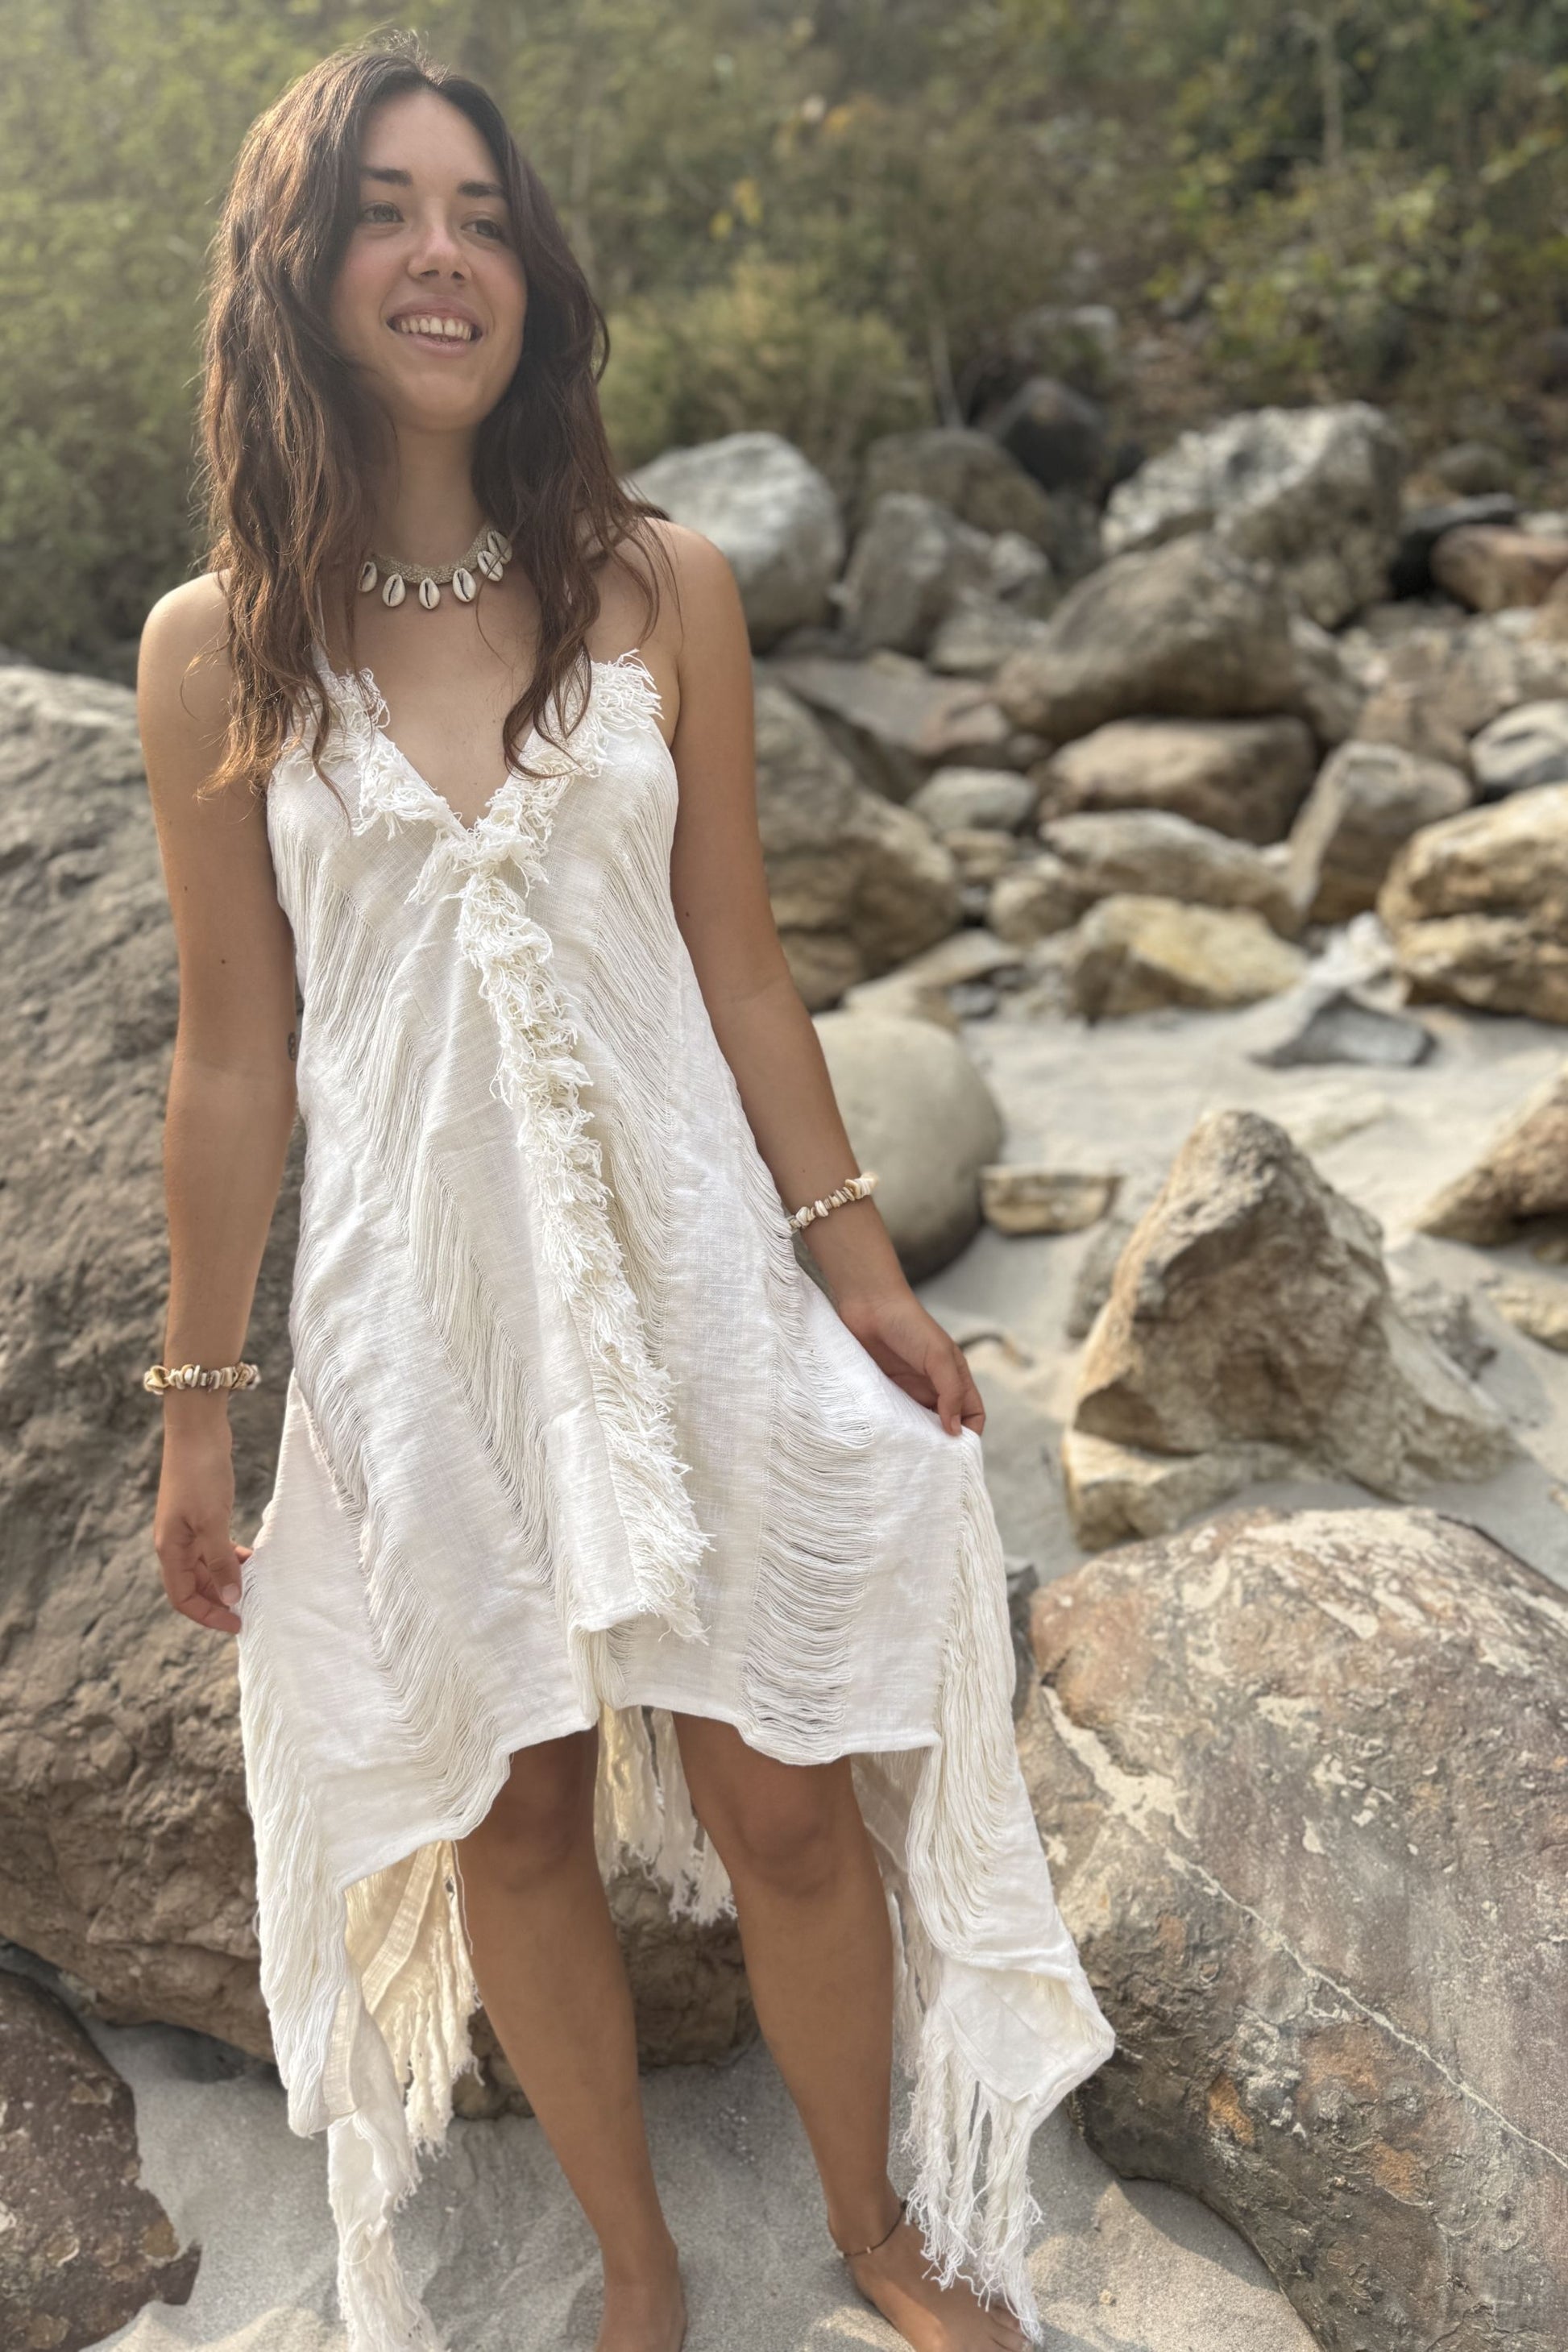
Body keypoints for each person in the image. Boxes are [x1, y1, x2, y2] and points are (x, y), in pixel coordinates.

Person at [135, 33, 1114, 2352]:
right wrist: (201, 1404)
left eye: (475, 209)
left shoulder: (658, 585)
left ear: (531, 274)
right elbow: (233, 1052)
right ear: (300, 266)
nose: (437, 251)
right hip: (419, 1312)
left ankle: (875, 2232)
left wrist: (859, 1270)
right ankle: (643, 2271)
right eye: (383, 206)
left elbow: (747, 969)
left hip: (692, 1275)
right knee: (519, 1817)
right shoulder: (216, 651)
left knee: (786, 1794)